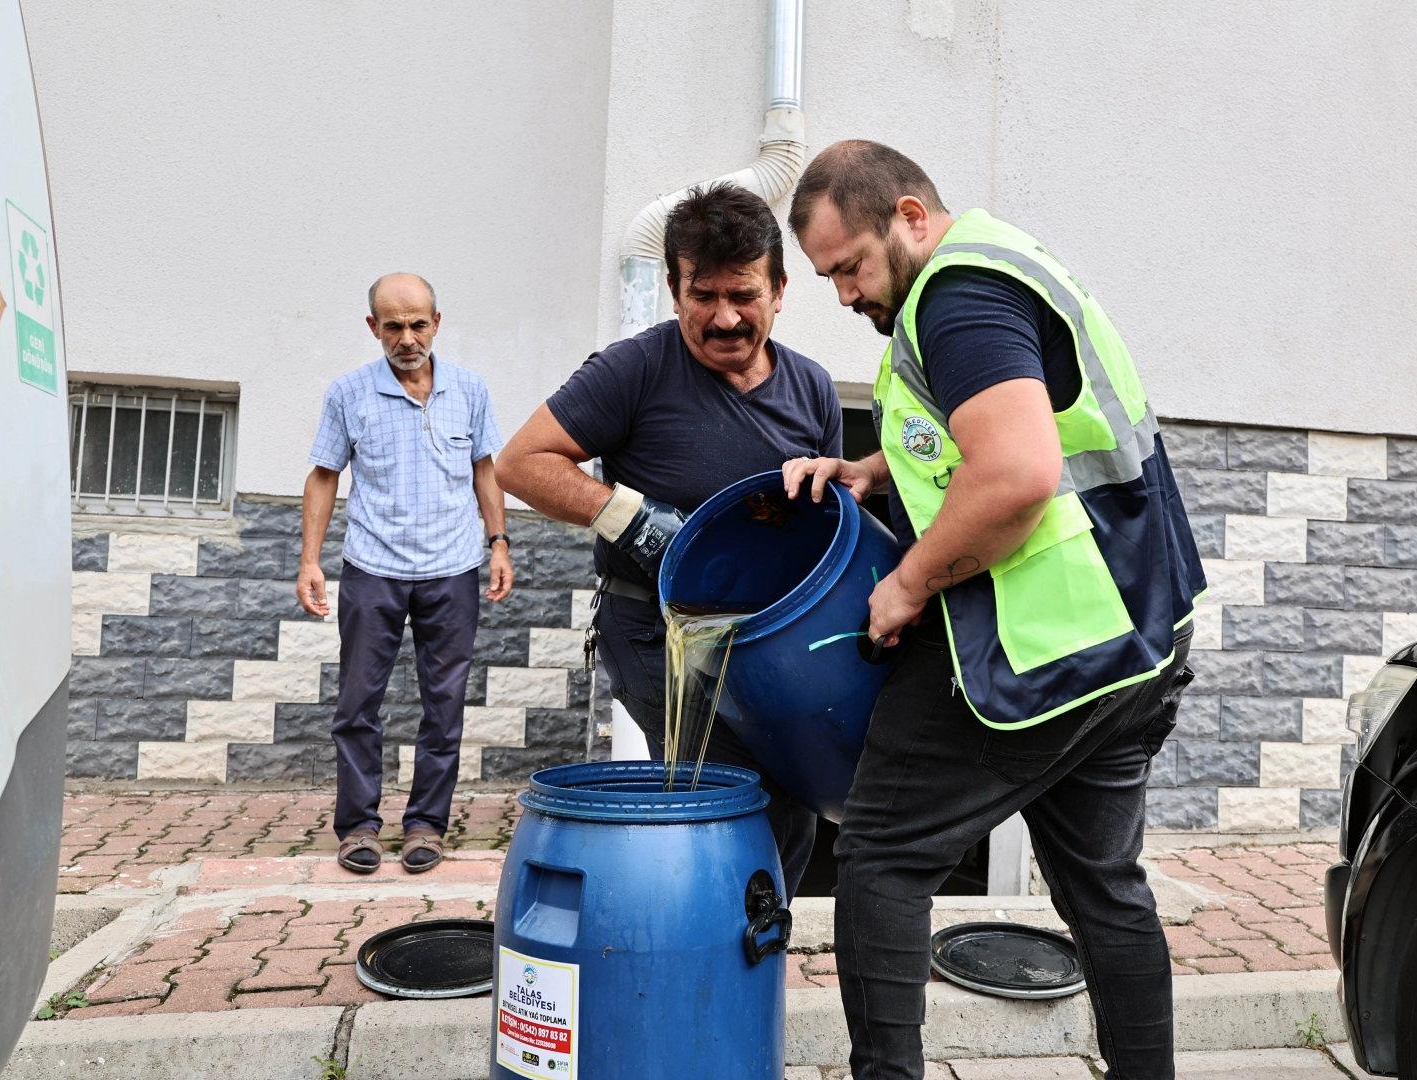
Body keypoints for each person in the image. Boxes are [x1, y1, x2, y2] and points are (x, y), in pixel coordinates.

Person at [781, 141, 1207, 1080]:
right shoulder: (1006, 263)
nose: (845, 294)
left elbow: (1014, 475)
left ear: (910, 218)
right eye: (828, 278)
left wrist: (905, 585)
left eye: (849, 265)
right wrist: (873, 470)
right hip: (1132, 630)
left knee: (885, 855)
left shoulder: (958, 297)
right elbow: (986, 426)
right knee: (1104, 888)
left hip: (1041, 638)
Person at [497, 183, 840, 895]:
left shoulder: (812, 388)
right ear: (673, 289)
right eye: (702, 295)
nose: (723, 317)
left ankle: (746, 950)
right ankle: (705, 951)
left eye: (743, 295)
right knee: (730, 797)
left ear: (780, 288)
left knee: (796, 811)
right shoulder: (636, 368)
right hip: (657, 632)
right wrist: (640, 525)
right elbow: (521, 463)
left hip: (766, 636)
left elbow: (830, 520)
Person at [297, 272, 513, 875]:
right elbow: (323, 475)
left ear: (436, 323)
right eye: (393, 325)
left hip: (452, 570)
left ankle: (425, 825)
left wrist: (498, 542)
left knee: (444, 704)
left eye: (418, 323)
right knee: (358, 704)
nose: (407, 337)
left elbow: (486, 470)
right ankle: (358, 827)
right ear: (374, 328)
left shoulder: (469, 390)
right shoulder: (349, 394)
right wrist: (310, 559)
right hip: (373, 569)